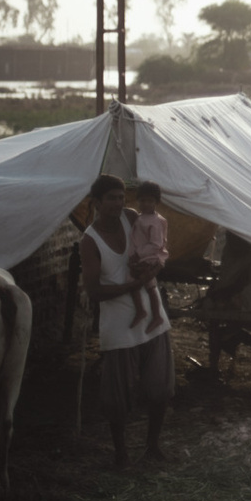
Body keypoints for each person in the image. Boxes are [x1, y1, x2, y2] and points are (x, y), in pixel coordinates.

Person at [81, 173, 174, 468]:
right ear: (96, 202)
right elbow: (94, 292)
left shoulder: (132, 217)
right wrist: (133, 285)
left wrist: (154, 269)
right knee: (118, 397)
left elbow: (156, 248)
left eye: (121, 197)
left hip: (152, 316)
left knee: (160, 388)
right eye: (111, 198)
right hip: (120, 324)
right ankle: (121, 453)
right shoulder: (90, 240)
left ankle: (153, 446)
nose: (118, 203)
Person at [127, 181, 170, 333]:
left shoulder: (155, 221)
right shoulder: (141, 218)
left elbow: (156, 244)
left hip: (149, 258)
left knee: (143, 284)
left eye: (150, 201)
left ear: (156, 203)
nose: (145, 204)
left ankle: (152, 314)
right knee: (141, 284)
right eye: (142, 200)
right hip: (141, 256)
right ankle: (146, 312)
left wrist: (138, 253)